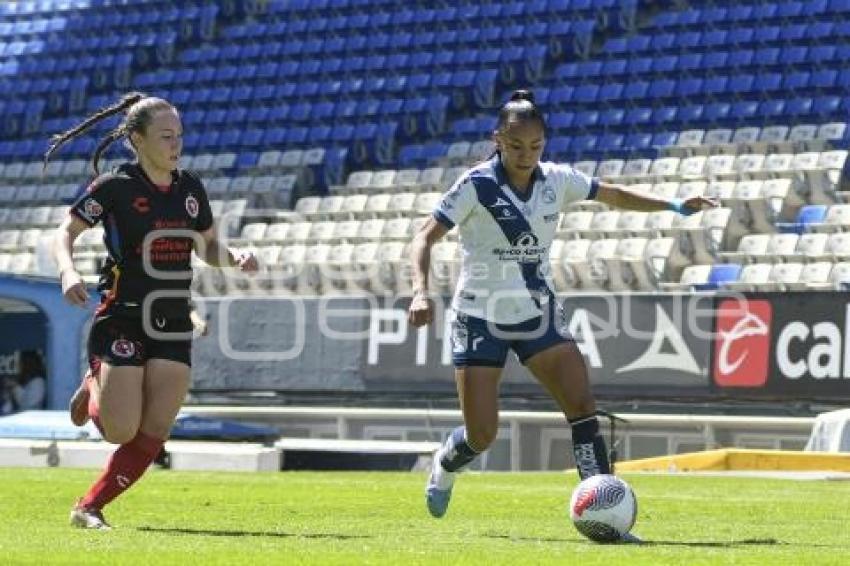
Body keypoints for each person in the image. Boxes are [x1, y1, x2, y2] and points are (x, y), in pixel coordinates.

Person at [407, 90, 716, 525]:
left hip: (538, 314)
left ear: (545, 143)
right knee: (481, 435)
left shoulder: (557, 180)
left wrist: (673, 205)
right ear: (497, 139)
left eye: (535, 146)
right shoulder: (476, 185)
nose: (526, 155)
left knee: (582, 408)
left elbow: (613, 194)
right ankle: (445, 463)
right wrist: (420, 291)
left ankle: (605, 515)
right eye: (516, 146)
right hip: (480, 317)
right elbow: (424, 237)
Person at [49, 92, 258, 530]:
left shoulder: (191, 188)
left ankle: (88, 507)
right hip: (123, 315)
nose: (175, 145)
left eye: (179, 136)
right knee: (121, 430)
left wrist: (235, 256)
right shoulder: (114, 187)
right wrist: (68, 271)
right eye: (165, 136)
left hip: (173, 318)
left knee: (156, 427)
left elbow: (207, 247)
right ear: (137, 140)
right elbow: (63, 234)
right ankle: (94, 381)